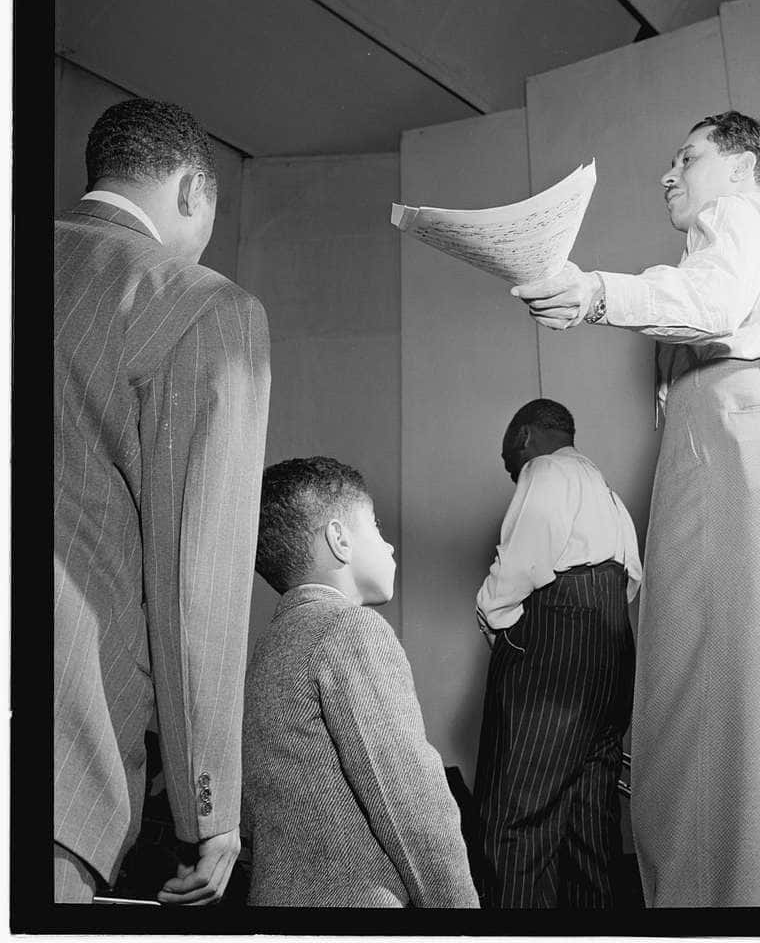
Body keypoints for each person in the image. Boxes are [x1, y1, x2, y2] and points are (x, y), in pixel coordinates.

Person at [511, 112, 760, 907]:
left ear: (740, 166)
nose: (668, 174)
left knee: (696, 747)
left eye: (686, 157)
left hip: (744, 460)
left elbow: (712, 304)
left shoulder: (738, 214)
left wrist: (589, 292)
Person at [54, 98, 271, 904]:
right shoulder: (204, 306)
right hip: (58, 755)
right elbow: (197, 579)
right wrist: (208, 801)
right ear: (189, 192)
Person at [242, 457, 480, 908]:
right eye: (375, 525)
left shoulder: (269, 649)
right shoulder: (350, 630)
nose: (390, 546)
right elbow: (410, 799)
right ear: (339, 538)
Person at [472, 399, 641, 908]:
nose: (507, 465)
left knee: (514, 819)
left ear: (523, 435)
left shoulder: (545, 469)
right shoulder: (607, 493)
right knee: (589, 822)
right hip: (612, 651)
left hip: (554, 653)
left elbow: (519, 566)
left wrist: (498, 626)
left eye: (508, 453)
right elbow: (631, 582)